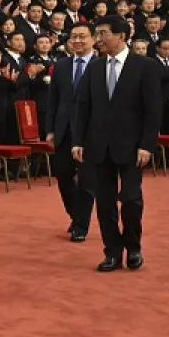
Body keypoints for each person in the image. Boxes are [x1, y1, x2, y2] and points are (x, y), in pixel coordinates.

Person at [71, 16, 161, 272]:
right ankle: (112, 252)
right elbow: (83, 106)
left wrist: (147, 144)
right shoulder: (95, 67)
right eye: (97, 34)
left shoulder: (145, 66)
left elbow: (152, 111)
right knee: (105, 202)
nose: (98, 39)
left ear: (121, 35)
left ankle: (133, 247)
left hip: (133, 147)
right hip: (98, 145)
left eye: (103, 34)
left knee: (131, 199)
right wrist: (77, 140)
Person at [45, 21, 96, 242]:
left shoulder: (102, 64)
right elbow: (53, 100)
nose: (77, 41)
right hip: (63, 129)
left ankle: (81, 226)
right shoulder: (62, 66)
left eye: (82, 37)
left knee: (86, 180)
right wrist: (50, 129)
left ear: (93, 39)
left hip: (90, 131)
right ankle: (76, 215)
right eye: (74, 37)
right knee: (63, 176)